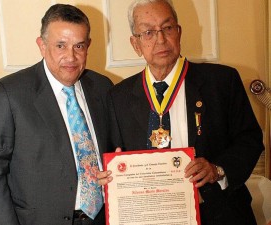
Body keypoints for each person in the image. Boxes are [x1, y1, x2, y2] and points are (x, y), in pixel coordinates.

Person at [98, 0, 264, 225]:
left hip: (219, 213)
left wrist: (218, 169)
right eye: (148, 32)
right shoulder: (118, 97)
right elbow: (112, 155)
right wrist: (110, 173)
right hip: (149, 217)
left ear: (179, 32)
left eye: (167, 28)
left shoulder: (222, 81)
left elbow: (250, 139)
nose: (160, 39)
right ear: (135, 44)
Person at [0, 4, 113, 225]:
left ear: (88, 46)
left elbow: (112, 149)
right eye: (61, 45)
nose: (71, 56)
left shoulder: (102, 87)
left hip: (102, 218)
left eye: (79, 46)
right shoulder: (9, 95)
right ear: (42, 45)